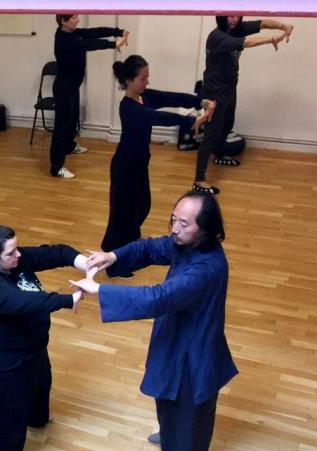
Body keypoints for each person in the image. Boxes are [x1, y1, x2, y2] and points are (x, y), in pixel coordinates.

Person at [71, 191, 238, 451]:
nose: (175, 229)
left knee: (189, 405)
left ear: (206, 228)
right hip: (177, 332)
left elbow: (159, 297)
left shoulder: (207, 268)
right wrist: (113, 256)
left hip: (195, 344)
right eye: (174, 220)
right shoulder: (188, 243)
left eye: (184, 223)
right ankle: (171, 433)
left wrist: (101, 291)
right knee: (166, 390)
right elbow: (152, 248)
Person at [0, 225, 87, 451]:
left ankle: (37, 419)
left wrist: (82, 261)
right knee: (10, 413)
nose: (19, 256)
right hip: (4, 361)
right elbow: (24, 303)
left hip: (32, 347)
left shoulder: (15, 260)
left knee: (40, 384)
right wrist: (68, 300)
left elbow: (54, 253)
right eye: (11, 252)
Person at [100, 55, 214, 266]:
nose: (147, 82)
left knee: (143, 205)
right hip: (125, 166)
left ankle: (125, 248)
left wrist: (200, 101)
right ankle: (117, 257)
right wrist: (191, 121)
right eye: (143, 79)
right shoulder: (128, 107)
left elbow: (171, 97)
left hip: (140, 163)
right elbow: (159, 118)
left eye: (147, 78)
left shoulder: (146, 96)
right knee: (123, 212)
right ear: (129, 81)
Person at [193, 16, 292, 195]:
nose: (234, 19)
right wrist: (272, 39)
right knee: (212, 133)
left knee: (228, 123)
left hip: (230, 86)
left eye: (237, 15)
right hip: (215, 91)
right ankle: (199, 179)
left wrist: (282, 25)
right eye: (230, 15)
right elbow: (247, 42)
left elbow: (262, 23)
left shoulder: (237, 27)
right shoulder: (216, 36)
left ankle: (219, 154)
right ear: (221, 16)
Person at [50, 14, 128, 179]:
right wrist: (114, 44)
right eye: (74, 18)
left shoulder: (72, 34)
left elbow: (93, 32)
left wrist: (118, 31)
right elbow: (91, 44)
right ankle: (56, 168)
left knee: (72, 120)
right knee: (61, 127)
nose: (77, 20)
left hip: (72, 86)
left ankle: (69, 146)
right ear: (64, 21)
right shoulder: (66, 41)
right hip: (64, 89)